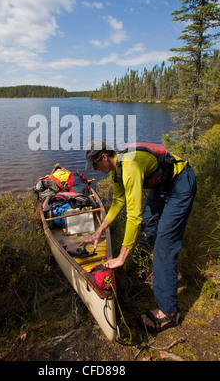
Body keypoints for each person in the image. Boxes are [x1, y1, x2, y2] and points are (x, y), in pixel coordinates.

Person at [81, 139, 197, 333]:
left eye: (94, 164)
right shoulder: (116, 171)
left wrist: (121, 257)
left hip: (180, 183)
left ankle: (168, 312)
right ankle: (144, 269)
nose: (94, 169)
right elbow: (118, 201)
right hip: (162, 186)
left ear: (103, 157)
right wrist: (100, 230)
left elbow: (132, 216)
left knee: (164, 244)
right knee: (148, 226)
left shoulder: (130, 166)